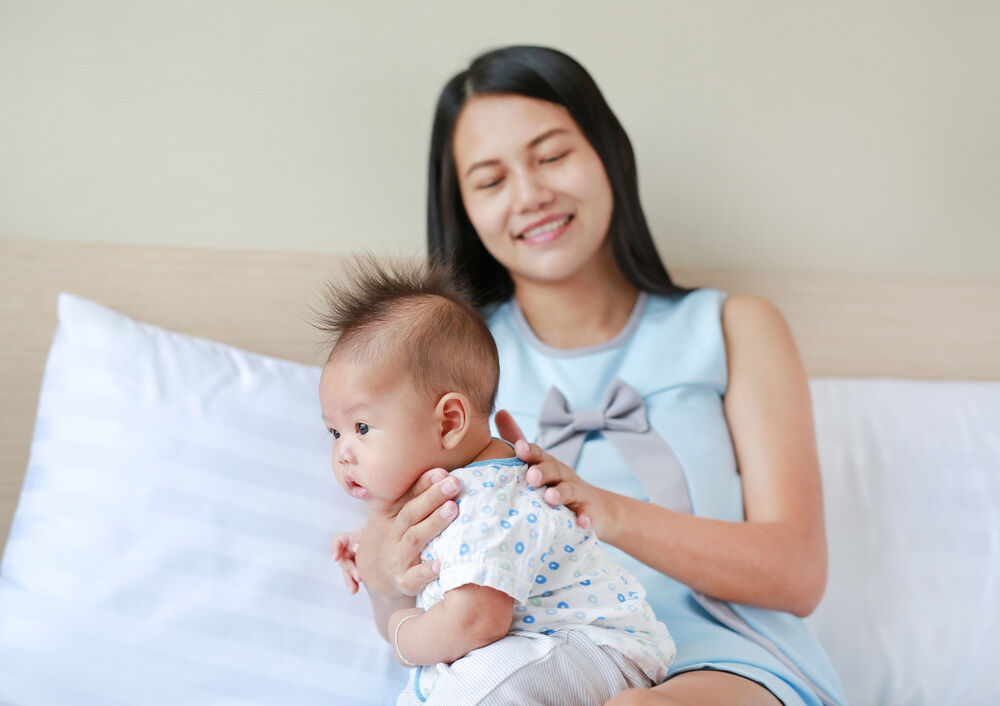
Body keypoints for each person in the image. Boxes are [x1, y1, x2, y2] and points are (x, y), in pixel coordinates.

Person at [337, 45, 849, 706]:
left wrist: (602, 509)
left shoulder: (732, 328)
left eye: (552, 156)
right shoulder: (442, 368)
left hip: (728, 662)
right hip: (532, 661)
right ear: (464, 208)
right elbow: (410, 575)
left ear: (609, 153)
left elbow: (798, 572)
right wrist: (383, 574)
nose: (531, 195)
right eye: (490, 181)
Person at [320, 258, 676, 705]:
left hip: (594, 648)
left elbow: (476, 621)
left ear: (449, 421)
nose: (342, 453)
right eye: (333, 433)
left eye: (362, 428)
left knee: (474, 691)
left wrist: (402, 633)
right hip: (547, 650)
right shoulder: (457, 495)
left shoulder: (485, 498)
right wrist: (366, 547)